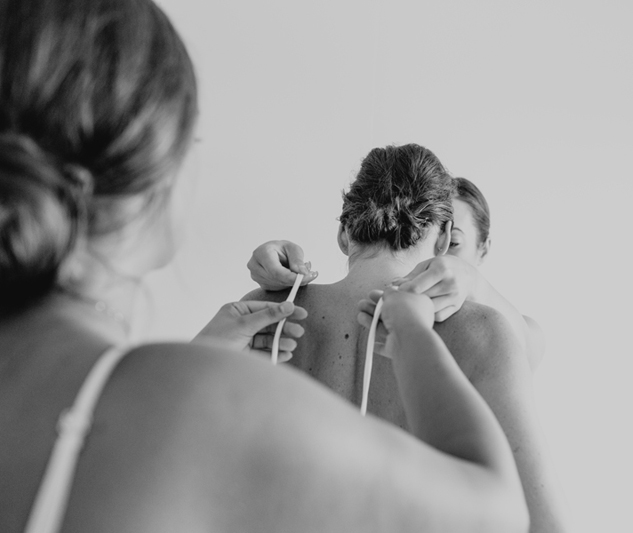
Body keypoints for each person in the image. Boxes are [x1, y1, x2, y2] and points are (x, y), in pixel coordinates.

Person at [0, 1, 530, 531]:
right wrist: (411, 331)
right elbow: (500, 513)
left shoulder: (94, 380)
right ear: (156, 180)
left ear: (345, 229)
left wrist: (203, 352)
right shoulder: (184, 391)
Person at [242, 144, 567, 533]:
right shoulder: (484, 332)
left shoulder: (259, 316)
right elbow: (545, 525)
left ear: (344, 233)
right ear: (444, 238)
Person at [248, 178, 546, 371]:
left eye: (454, 243)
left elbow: (527, 344)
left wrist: (473, 283)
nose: (439, 263)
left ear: (483, 249)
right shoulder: (275, 310)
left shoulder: (494, 327)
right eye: (412, 230)